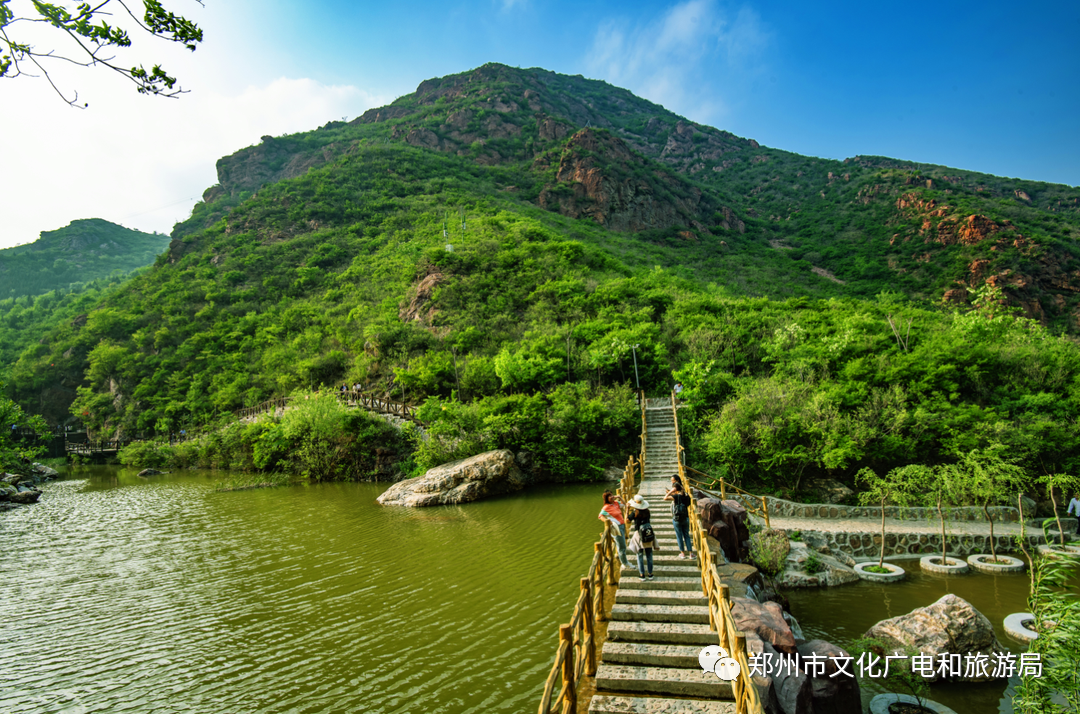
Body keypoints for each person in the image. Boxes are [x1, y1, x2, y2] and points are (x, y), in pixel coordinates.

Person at [598, 491, 631, 569]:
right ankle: (624, 563)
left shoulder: (616, 503)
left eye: (612, 495)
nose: (612, 497)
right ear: (606, 499)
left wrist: (619, 497)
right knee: (622, 546)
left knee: (622, 545)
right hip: (616, 527)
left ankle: (625, 562)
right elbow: (600, 516)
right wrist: (609, 522)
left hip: (622, 525)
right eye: (609, 496)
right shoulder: (606, 507)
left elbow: (625, 504)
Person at [664, 478, 694, 559]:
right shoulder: (686, 496)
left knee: (679, 536)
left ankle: (683, 553)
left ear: (675, 489)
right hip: (685, 518)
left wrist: (670, 492)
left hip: (677, 519)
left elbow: (665, 498)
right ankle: (691, 553)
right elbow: (688, 503)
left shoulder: (676, 497)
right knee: (686, 535)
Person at [628, 494, 656, 581]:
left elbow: (627, 520)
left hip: (638, 535)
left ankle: (642, 574)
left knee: (639, 555)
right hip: (648, 534)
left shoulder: (635, 513)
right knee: (649, 554)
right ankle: (650, 574)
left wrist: (627, 510)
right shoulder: (647, 511)